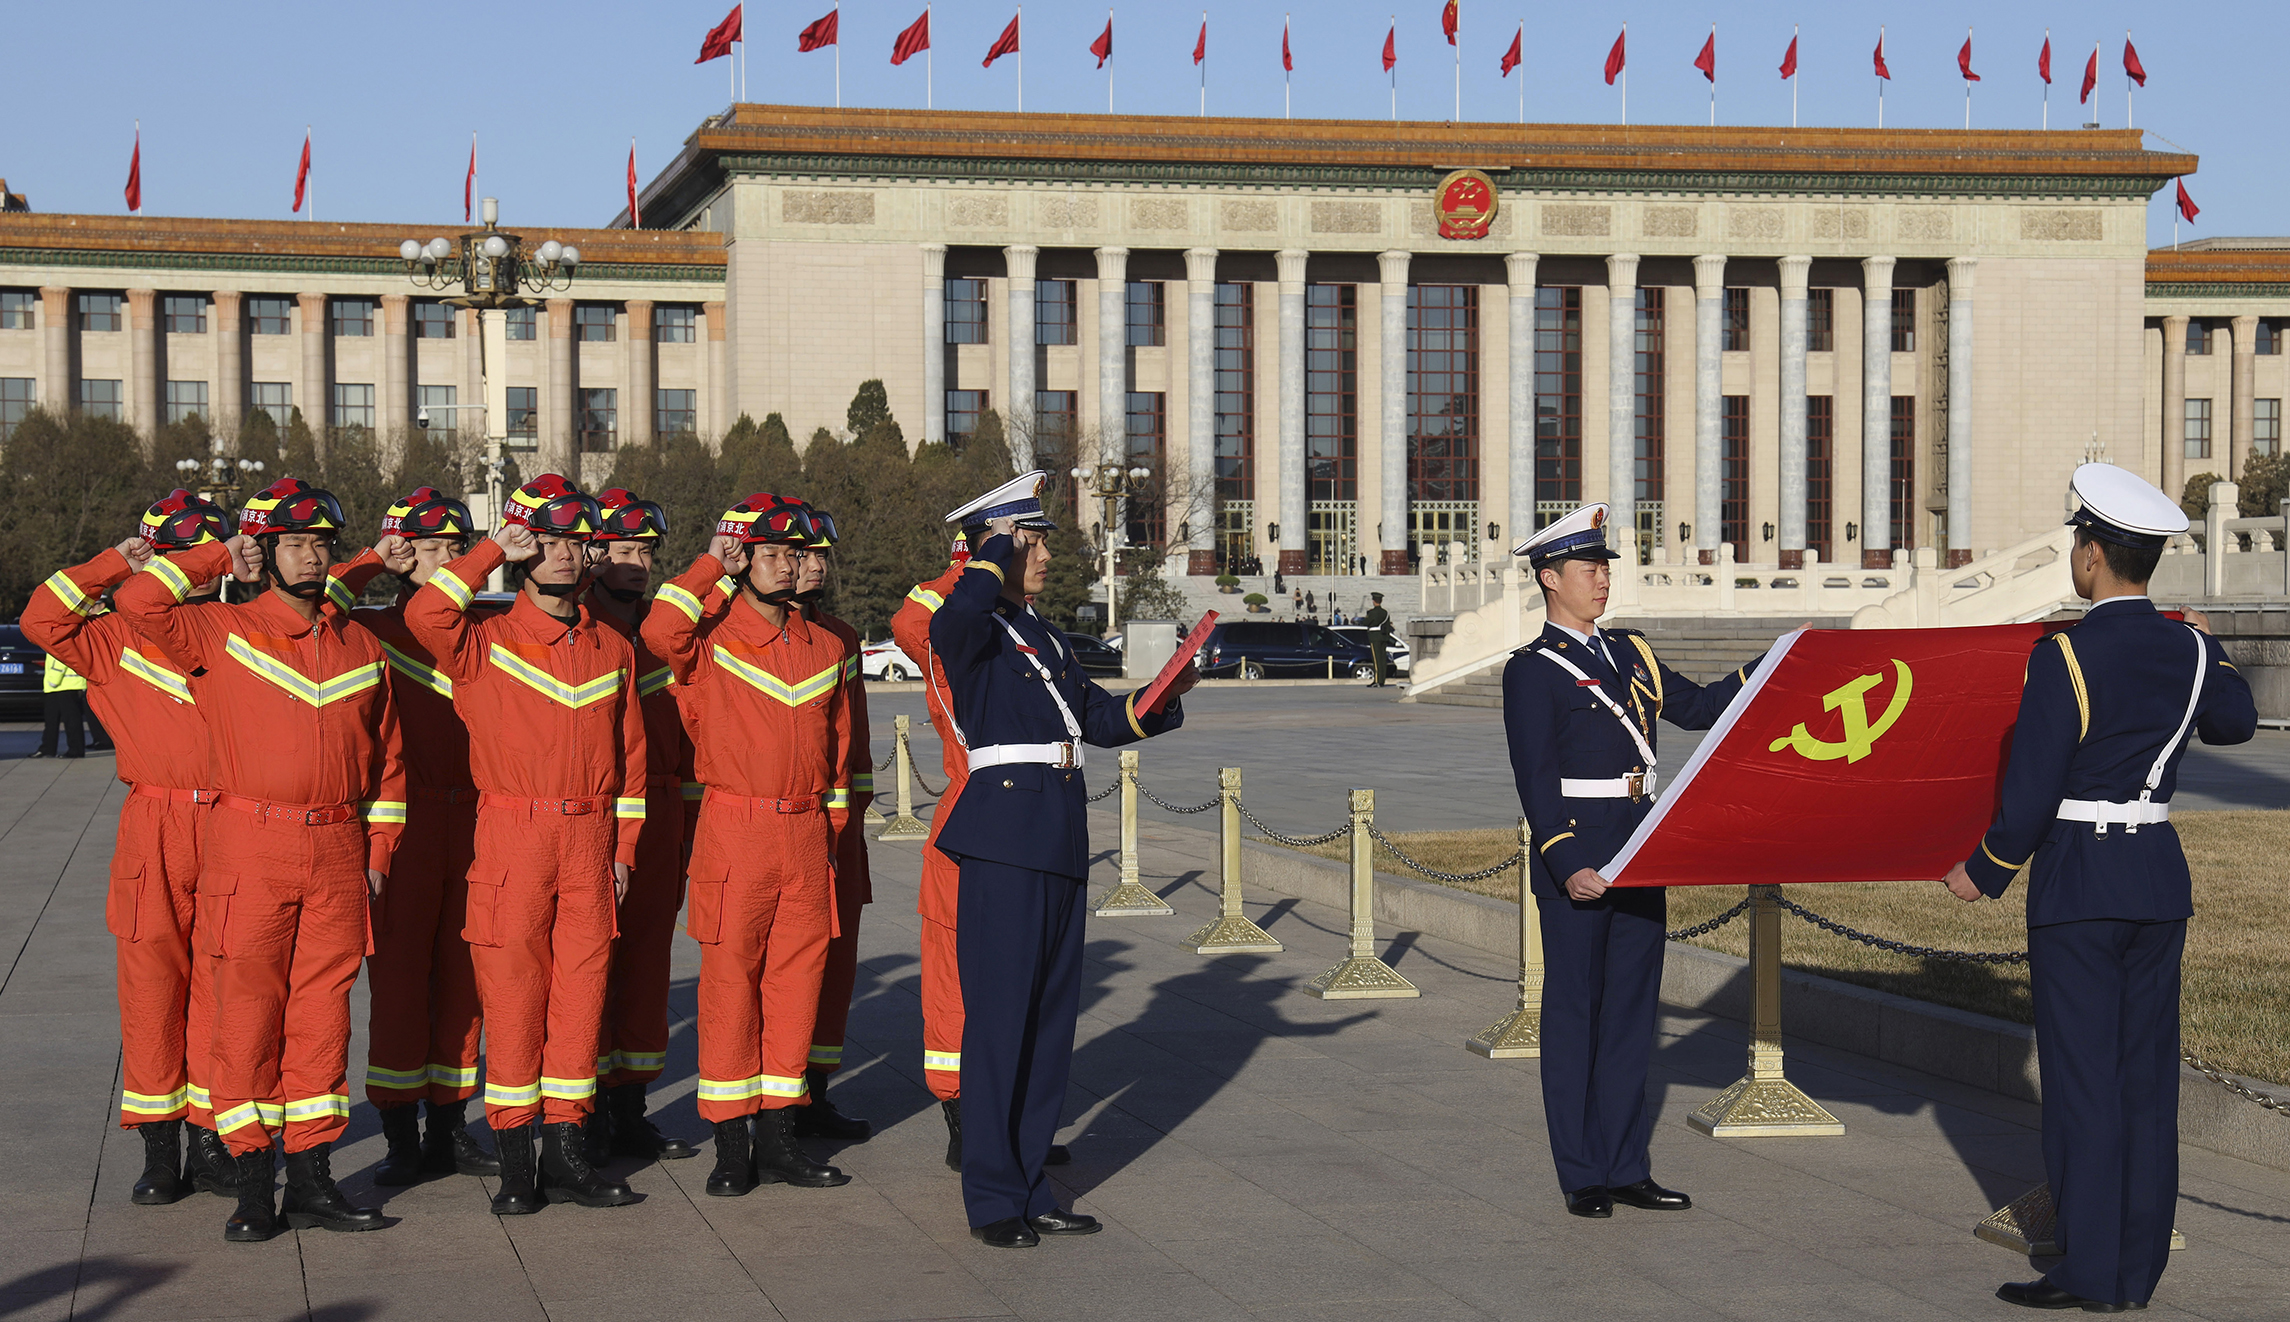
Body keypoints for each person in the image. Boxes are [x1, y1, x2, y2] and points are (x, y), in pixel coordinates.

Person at [1942, 464, 2255, 1314]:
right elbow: (2236, 722)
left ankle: (2087, 1270)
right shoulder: (2188, 647)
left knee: (2083, 1084)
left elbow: (2034, 790)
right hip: (2156, 878)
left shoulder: (2067, 656)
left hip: (2080, 880)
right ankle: (2136, 1270)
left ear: (2089, 557)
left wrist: (1987, 868)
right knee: (2146, 1083)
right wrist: (2204, 647)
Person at [117, 478, 402, 1243]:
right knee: (244, 1016)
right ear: (264, 554)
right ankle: (249, 1181)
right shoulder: (220, 630)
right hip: (251, 845)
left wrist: (377, 849)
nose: (312, 556)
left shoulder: (361, 645)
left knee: (322, 1019)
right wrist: (215, 551)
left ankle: (311, 1177)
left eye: (320, 544)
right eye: (294, 543)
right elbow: (139, 605)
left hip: (338, 849)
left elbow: (389, 763)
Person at [930, 471, 1193, 1248]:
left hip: (1056, 830)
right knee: (1001, 1024)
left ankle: (1031, 1183)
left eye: (1040, 540)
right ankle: (991, 1199)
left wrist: (1161, 696)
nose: (1045, 554)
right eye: (1030, 541)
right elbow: (955, 623)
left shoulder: (1039, 632)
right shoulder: (970, 623)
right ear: (994, 547)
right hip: (1004, 835)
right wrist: (986, 558)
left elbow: (1096, 719)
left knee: (1046, 1025)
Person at [1500, 502, 1764, 1221]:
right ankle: (1582, 1173)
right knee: (1576, 1014)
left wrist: (1774, 663)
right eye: (1589, 569)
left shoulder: (1632, 654)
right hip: (1581, 854)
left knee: (1629, 1017)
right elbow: (1536, 776)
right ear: (1551, 578)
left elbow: (1702, 707)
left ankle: (1625, 1166)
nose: (1602, 581)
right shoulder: (1532, 670)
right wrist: (1563, 860)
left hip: (1641, 847)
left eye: (1605, 568)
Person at [402, 475, 648, 1216]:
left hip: (592, 839)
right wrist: (484, 553)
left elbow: (630, 758)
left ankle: (568, 1152)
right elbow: (424, 610)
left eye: (576, 542)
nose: (565, 555)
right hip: (513, 832)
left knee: (581, 999)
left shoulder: (613, 646)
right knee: (513, 1000)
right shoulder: (483, 642)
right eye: (546, 541)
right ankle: (517, 1162)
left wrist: (625, 850)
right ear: (522, 549)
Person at [23, 490, 236, 1204]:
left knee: (222, 981)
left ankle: (213, 1138)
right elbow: (40, 618)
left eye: (209, 553)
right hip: (156, 823)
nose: (198, 570)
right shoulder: (110, 635)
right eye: (185, 556)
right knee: (152, 988)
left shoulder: (237, 629)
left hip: (234, 823)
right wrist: (117, 562)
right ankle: (159, 1148)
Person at [642, 493, 855, 1197]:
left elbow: (840, 747)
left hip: (803, 832)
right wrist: (713, 562)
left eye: (795, 553)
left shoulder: (827, 646)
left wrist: (829, 835)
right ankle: (731, 1146)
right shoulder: (710, 639)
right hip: (735, 830)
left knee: (796, 988)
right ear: (745, 559)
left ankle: (781, 1137)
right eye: (772, 553)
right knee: (731, 988)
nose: (789, 565)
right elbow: (658, 630)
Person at [325, 489, 498, 1187]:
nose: (445, 560)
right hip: (405, 819)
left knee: (465, 979)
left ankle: (452, 1126)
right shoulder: (365, 625)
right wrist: (371, 559)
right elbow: (310, 598)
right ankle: (401, 1132)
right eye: (428, 550)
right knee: (398, 982)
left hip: (482, 817)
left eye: (457, 548)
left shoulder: (490, 623)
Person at [581, 488, 700, 1164]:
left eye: (647, 552)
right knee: (592, 965)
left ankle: (632, 1109)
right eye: (624, 549)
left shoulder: (661, 630)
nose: (638, 563)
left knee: (649, 965)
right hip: (596, 812)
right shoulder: (577, 624)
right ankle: (584, 1112)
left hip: (659, 814)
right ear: (595, 553)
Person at [787, 503, 877, 1144]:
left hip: (840, 832)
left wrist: (854, 816)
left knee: (835, 966)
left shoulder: (841, 638)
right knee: (782, 969)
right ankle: (775, 1104)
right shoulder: (729, 631)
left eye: (822, 557)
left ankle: (816, 1092)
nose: (814, 567)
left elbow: (856, 740)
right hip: (780, 829)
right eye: (802, 555)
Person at [35, 650, 97, 757]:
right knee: (52, 720)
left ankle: (75, 750)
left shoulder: (57, 638)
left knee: (71, 721)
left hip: (65, 686)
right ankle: (47, 749)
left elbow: (60, 658)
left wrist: (53, 681)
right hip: (60, 686)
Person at [1361, 592, 1395, 688]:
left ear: (1373, 601)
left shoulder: (1372, 613)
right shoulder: (1385, 613)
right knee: (1382, 659)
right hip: (1383, 637)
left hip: (1375, 637)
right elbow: (1387, 626)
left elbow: (1366, 622)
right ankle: (1381, 680)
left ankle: (1377, 680)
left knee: (1376, 660)